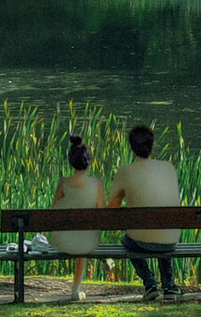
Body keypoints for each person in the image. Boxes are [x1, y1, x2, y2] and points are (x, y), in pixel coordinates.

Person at [107, 124, 182, 302]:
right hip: (169, 241)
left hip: (140, 242)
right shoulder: (167, 168)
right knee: (164, 226)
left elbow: (112, 210)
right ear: (153, 144)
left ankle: (150, 283)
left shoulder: (124, 172)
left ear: (132, 147)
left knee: (127, 240)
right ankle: (169, 286)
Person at [50, 134, 105, 302]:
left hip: (61, 241)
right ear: (90, 162)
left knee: (79, 234)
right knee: (84, 236)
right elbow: (102, 213)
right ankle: (76, 290)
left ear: (71, 161)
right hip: (87, 243)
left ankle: (75, 289)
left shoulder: (63, 183)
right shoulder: (97, 183)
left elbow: (52, 212)